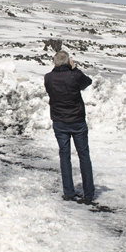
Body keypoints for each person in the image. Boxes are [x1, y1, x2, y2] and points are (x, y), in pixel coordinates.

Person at [44, 50, 94, 203]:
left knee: (64, 156)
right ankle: (89, 193)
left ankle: (68, 192)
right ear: (68, 62)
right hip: (77, 120)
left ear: (54, 62)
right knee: (83, 155)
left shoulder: (49, 78)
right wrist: (75, 68)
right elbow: (87, 82)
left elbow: (50, 91)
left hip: (59, 121)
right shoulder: (75, 75)